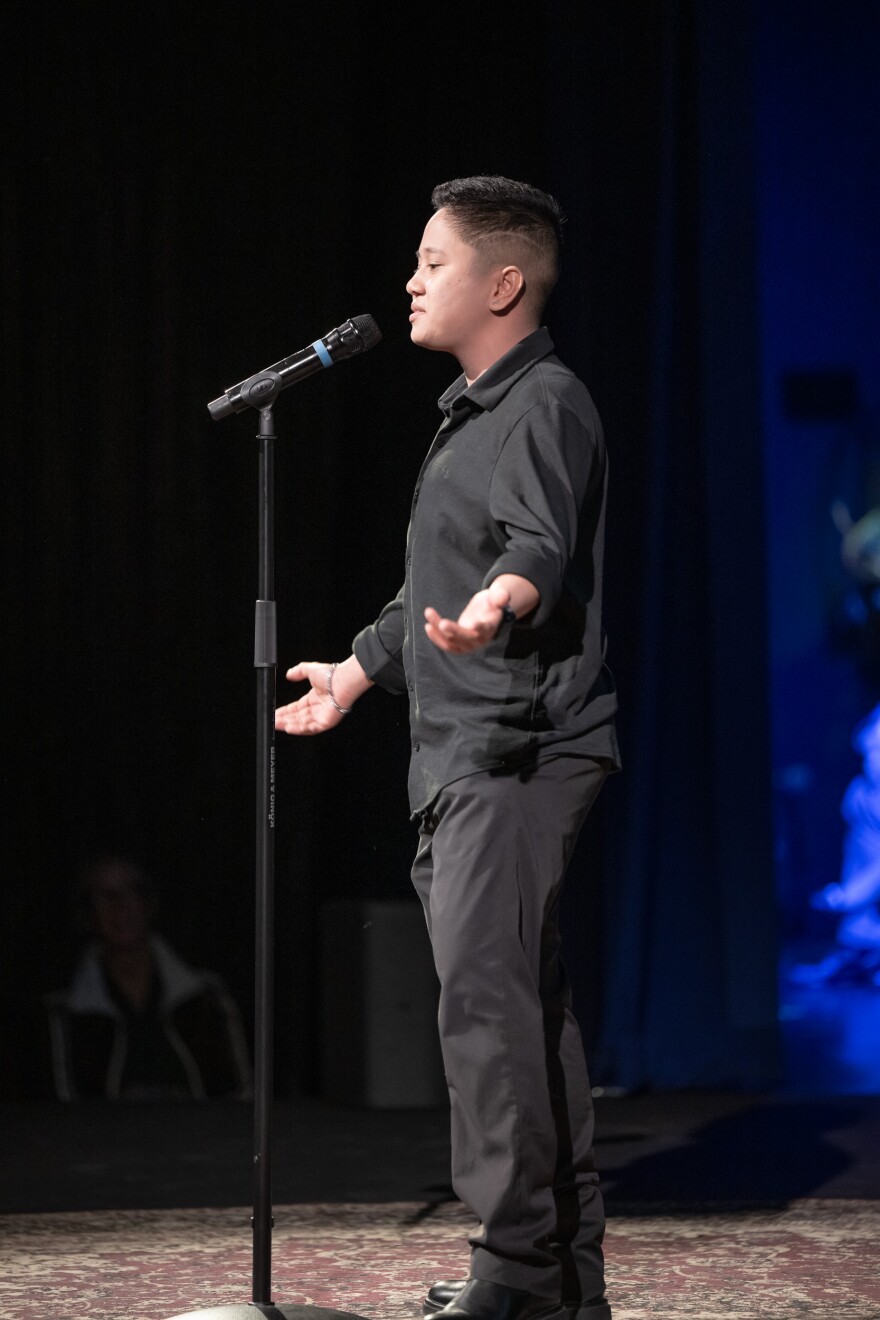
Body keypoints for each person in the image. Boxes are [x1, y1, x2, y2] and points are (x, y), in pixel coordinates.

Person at [275, 176, 619, 1320]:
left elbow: (534, 548)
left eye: (434, 262)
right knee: (519, 1008)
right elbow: (434, 581)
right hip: (460, 751)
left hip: (516, 750)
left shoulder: (544, 403)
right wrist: (356, 671)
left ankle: (515, 1273)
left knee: (484, 1015)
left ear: (503, 284)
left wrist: (498, 604)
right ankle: (556, 1277)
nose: (412, 282)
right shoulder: (471, 414)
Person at [46, 855, 253, 1101]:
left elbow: (241, 1096)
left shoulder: (207, 997)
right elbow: (61, 1106)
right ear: (88, 913)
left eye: (131, 891)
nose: (120, 906)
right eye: (105, 895)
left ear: (148, 902)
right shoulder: (64, 1011)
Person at [791, 704, 880, 986]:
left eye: (877, 751)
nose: (870, 759)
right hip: (862, 919)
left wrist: (850, 894)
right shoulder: (860, 792)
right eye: (868, 752)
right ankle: (858, 952)